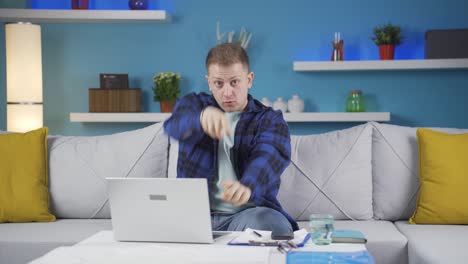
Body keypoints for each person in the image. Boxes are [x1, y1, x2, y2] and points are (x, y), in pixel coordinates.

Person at [163, 43, 298, 233]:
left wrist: (248, 185)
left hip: (246, 216)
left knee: (275, 226)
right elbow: (173, 126)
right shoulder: (194, 104)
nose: (227, 92)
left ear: (249, 79)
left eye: (234, 82)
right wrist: (199, 118)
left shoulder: (269, 119)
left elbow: (270, 153)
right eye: (219, 83)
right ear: (209, 82)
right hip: (194, 215)